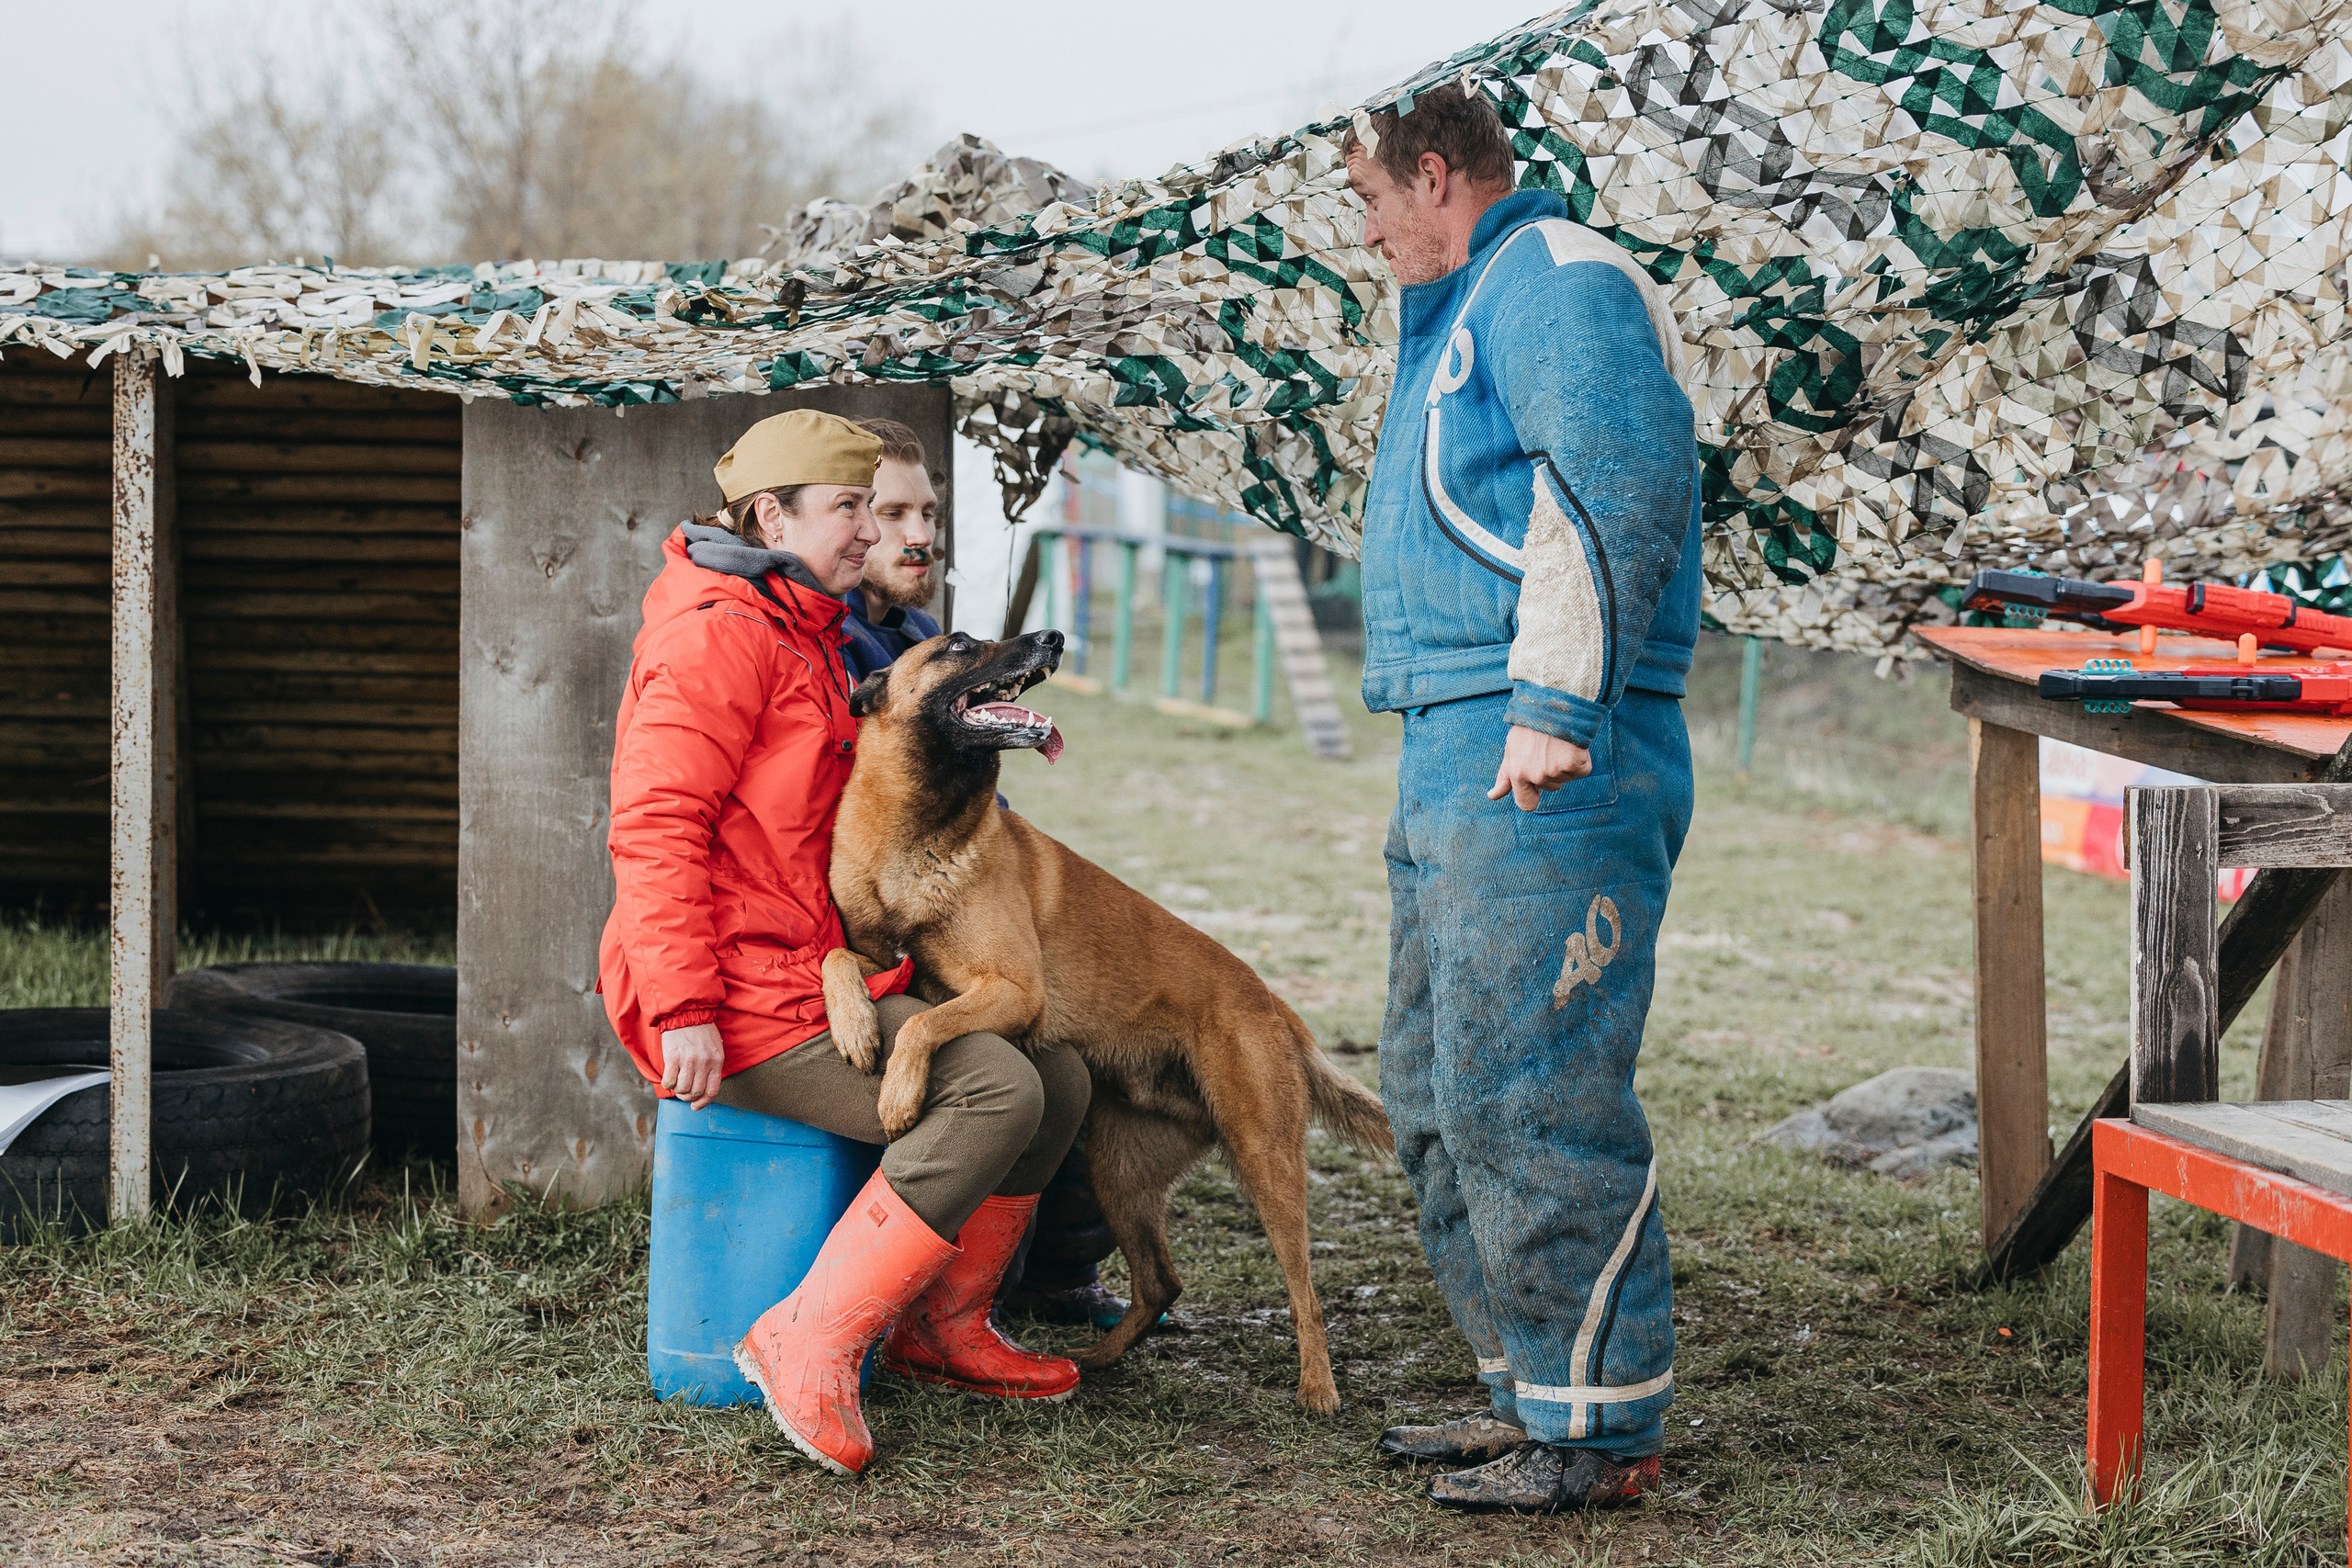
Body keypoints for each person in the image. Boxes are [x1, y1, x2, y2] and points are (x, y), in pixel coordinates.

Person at [596, 408, 1091, 1478]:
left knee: (1055, 1073)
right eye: (850, 508)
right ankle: (807, 1337)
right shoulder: (718, 632)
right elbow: (655, 826)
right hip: (728, 997)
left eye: (875, 508)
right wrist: (683, 1006)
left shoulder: (803, 624)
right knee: (995, 1090)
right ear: (771, 514)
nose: (870, 531)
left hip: (808, 973)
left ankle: (939, 1327)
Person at [1343, 86, 1702, 1512]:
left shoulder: (1560, 281)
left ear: (1436, 175)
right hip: (1449, 734)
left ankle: (1603, 1434)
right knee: (1433, 1089)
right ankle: (1533, 1396)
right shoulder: (1465, 304)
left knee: (1532, 1086)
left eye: (1369, 198)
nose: (1363, 231)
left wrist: (1556, 703)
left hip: (1538, 737)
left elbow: (1615, 473)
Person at [842, 418, 1131, 1332]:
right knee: (1017, 1069)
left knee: (1078, 1054)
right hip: (861, 924)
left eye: (925, 510)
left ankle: (1036, 1279)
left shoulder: (925, 635)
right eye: (889, 513)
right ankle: (883, 1312)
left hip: (950, 891)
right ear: (847, 521)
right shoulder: (838, 650)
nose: (916, 533)